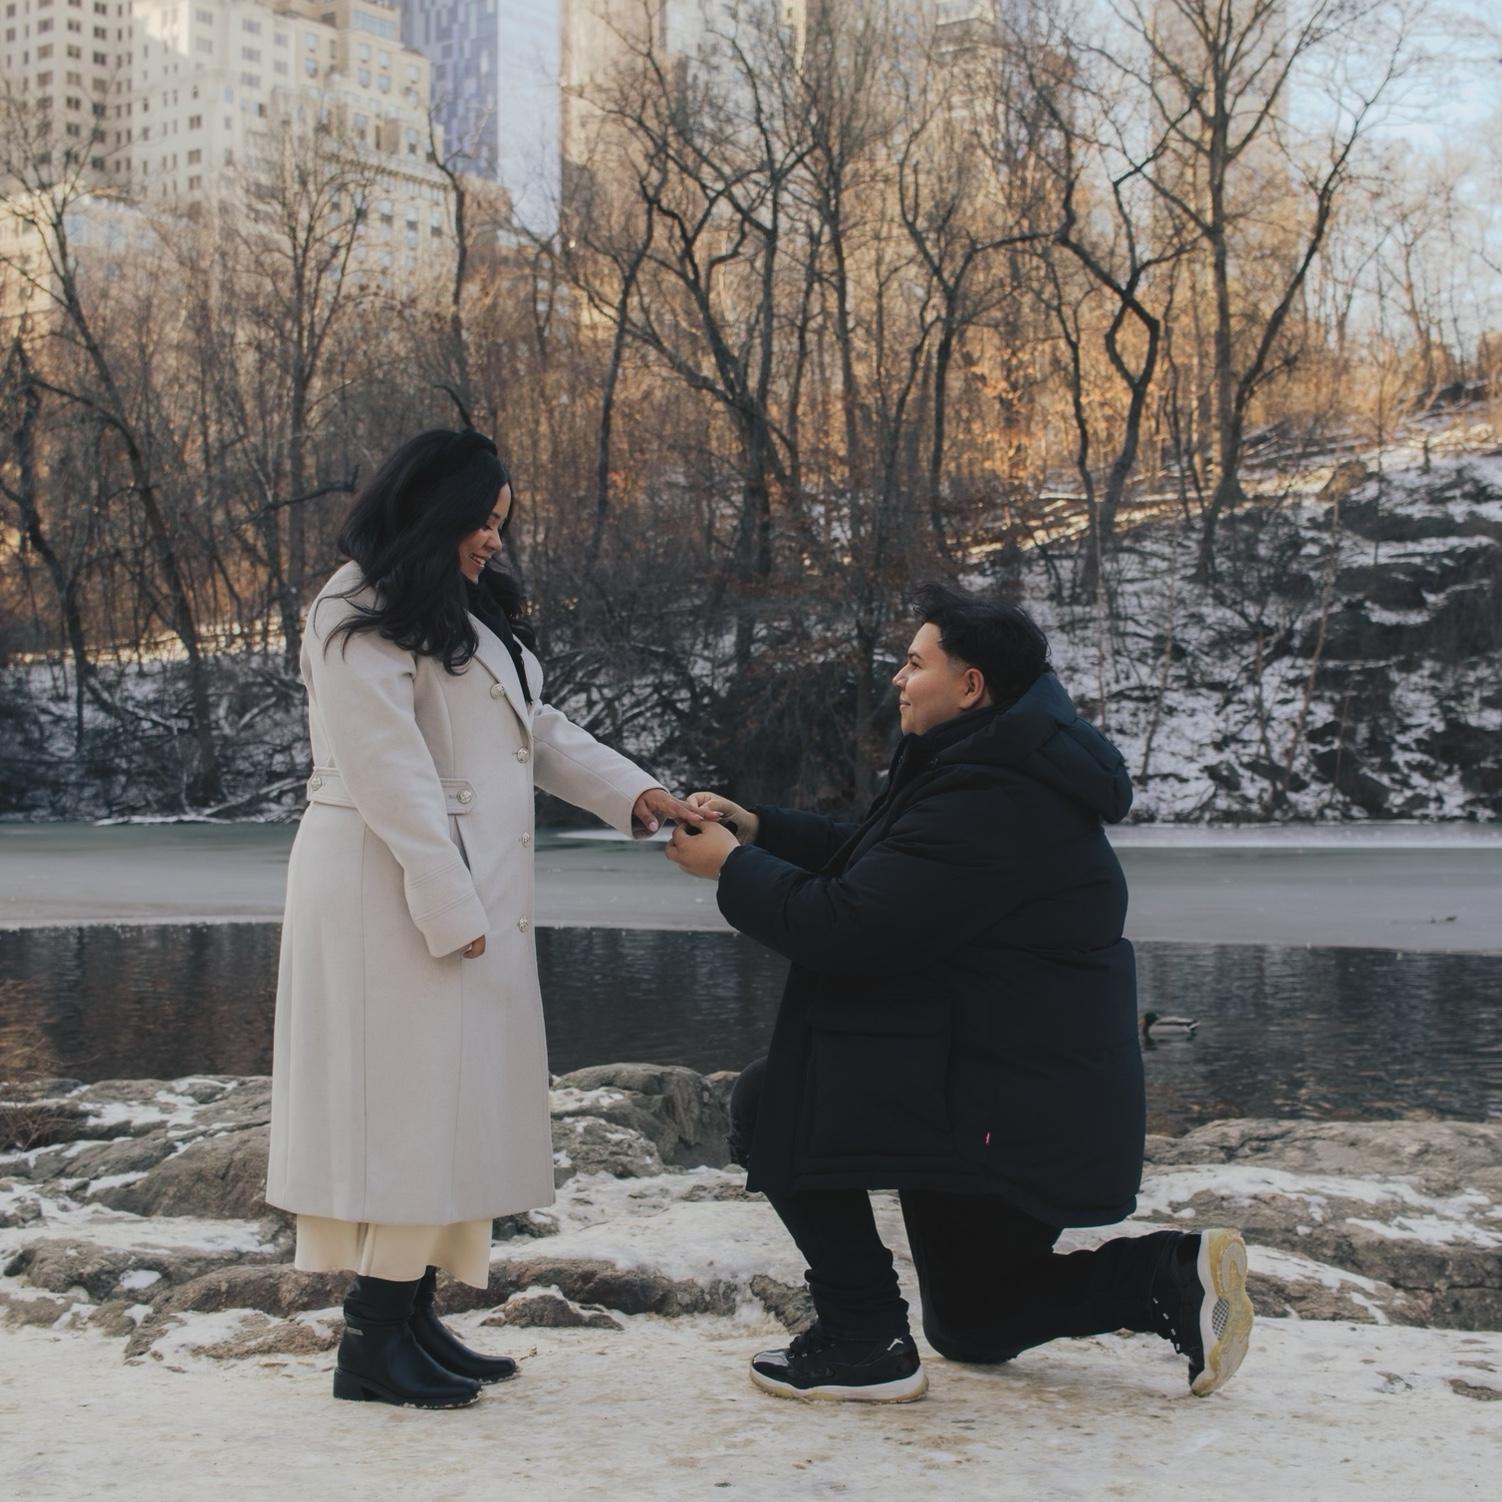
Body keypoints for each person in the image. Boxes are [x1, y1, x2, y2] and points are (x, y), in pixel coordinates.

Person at [666, 583, 1252, 1404]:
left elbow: (849, 925)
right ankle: (1169, 1276)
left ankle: (861, 1335)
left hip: (1003, 1100)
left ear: (970, 685)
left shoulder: (995, 793)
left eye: (915, 664)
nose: (898, 679)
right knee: (976, 1320)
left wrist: (731, 867)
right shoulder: (996, 761)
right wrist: (759, 830)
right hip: (1015, 1086)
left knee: (775, 1098)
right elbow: (886, 860)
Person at [266, 428, 712, 1409]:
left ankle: (411, 1315)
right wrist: (445, 897)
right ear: (434, 513)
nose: (493, 539)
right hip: (389, 882)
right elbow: (389, 771)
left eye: (500, 522)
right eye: (482, 520)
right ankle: (370, 1339)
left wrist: (633, 792)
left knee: (452, 1104)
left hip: (457, 878)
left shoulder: (456, 603)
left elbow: (531, 730)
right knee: (410, 1108)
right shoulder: (354, 607)